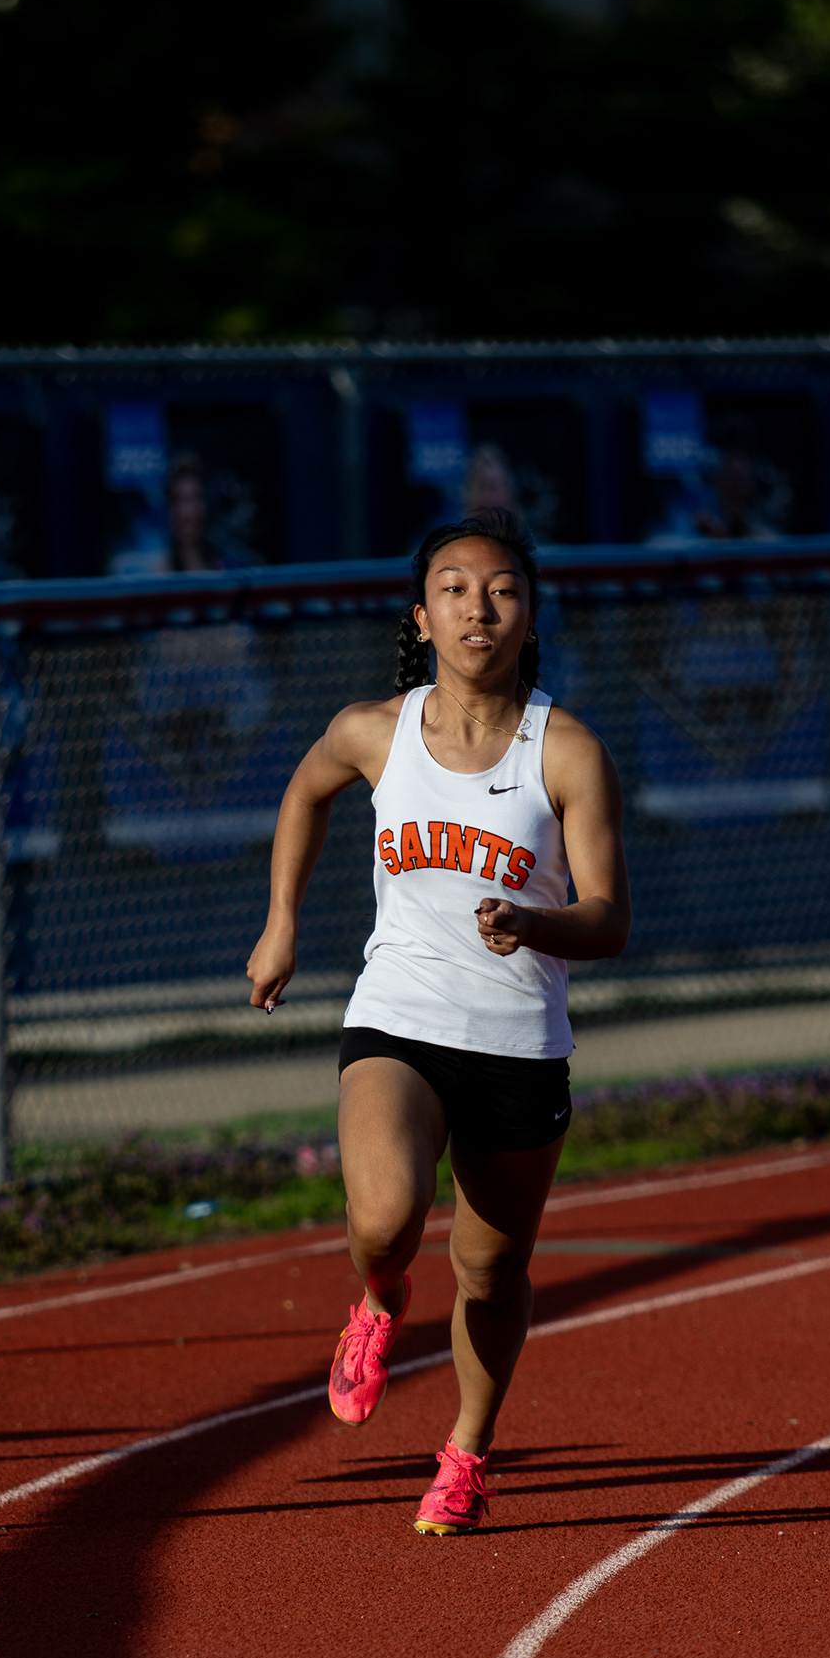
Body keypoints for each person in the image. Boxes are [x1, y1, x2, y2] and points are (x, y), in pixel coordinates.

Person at [245, 508, 629, 1535]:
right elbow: (305, 793)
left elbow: (610, 919)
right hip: (398, 1016)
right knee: (385, 1218)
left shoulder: (567, 751)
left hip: (517, 1042)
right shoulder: (374, 730)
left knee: (490, 1270)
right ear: (421, 616)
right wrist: (282, 924)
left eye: (502, 591)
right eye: (454, 589)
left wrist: (536, 921)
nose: (478, 609)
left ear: (530, 616)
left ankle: (466, 1450)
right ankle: (378, 1298)